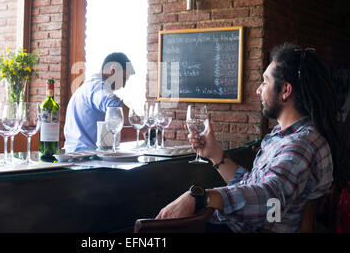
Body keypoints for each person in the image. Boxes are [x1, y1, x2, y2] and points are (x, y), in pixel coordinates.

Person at [156, 43, 348, 232]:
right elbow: (254, 186)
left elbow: (269, 198)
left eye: (265, 81)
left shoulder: (300, 145)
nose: (258, 90)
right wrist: (215, 154)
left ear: (285, 91)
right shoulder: (286, 137)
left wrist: (201, 197)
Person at [63, 52, 134, 153]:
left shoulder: (86, 87)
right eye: (123, 78)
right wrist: (143, 127)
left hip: (75, 155)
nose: (123, 85)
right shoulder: (97, 87)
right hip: (86, 160)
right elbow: (114, 105)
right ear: (113, 70)